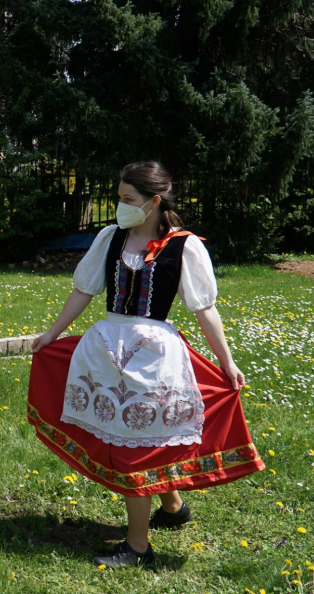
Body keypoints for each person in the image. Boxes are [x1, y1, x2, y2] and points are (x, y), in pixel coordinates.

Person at [28, 161, 264, 568]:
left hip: (153, 356)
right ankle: (172, 508)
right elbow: (84, 291)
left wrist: (227, 361)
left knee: (135, 443)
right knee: (124, 435)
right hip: (105, 349)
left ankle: (138, 548)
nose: (120, 206)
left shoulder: (185, 246)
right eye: (119, 197)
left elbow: (204, 310)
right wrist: (51, 334)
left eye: (128, 199)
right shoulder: (110, 237)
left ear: (154, 201)